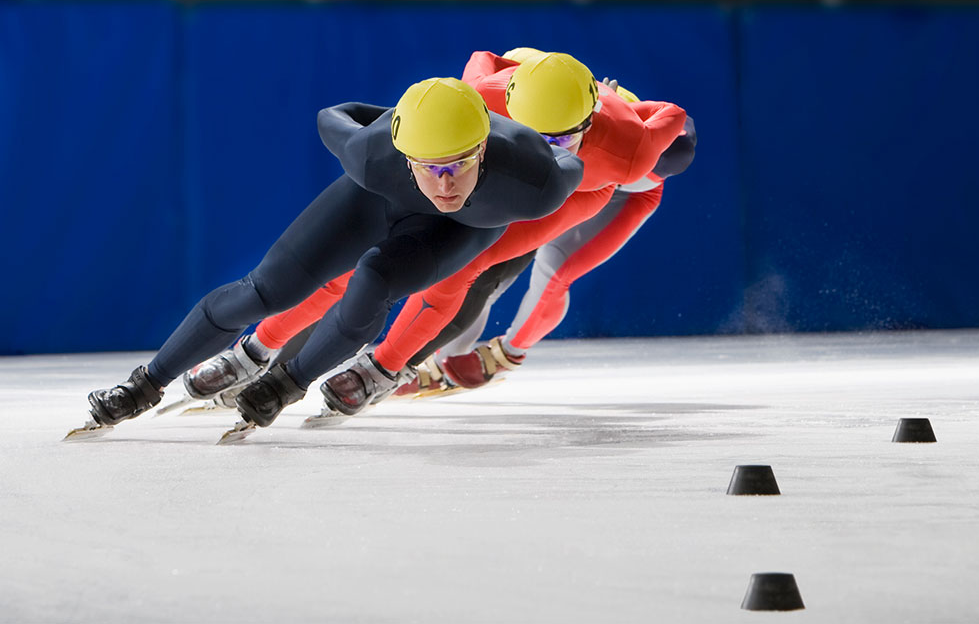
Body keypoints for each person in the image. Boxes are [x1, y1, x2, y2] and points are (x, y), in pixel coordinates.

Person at [190, 49, 688, 423]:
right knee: (364, 255)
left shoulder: (630, 150)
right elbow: (482, 61)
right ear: (507, 105)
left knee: (471, 266)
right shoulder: (486, 92)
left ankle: (385, 367)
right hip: (484, 170)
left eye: (558, 139)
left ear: (590, 120)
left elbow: (676, 122)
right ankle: (259, 348)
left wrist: (626, 102)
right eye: (527, 131)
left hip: (575, 190)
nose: (539, 149)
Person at [74, 77, 583, 437]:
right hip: (375, 199)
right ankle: (144, 384)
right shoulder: (371, 152)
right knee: (265, 291)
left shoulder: (535, 182)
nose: (444, 184)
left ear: (484, 150)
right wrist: (395, 119)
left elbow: (575, 160)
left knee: (373, 282)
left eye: (459, 163)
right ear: (403, 152)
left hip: (461, 230)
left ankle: (286, 383)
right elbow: (333, 116)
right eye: (428, 166)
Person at [403, 109, 696, 397]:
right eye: (545, 136)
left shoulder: (635, 134)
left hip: (618, 194)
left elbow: (680, 137)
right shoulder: (536, 109)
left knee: (554, 268)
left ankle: (509, 352)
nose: (555, 144)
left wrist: (653, 139)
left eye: (565, 137)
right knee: (488, 271)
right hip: (562, 186)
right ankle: (443, 359)